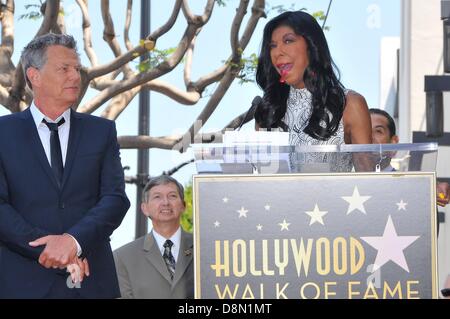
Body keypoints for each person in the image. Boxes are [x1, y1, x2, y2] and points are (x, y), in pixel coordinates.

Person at [0, 33, 130, 298]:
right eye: (64, 69)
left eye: (77, 69)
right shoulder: (2, 133)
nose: (75, 76)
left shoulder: (102, 131)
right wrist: (51, 250)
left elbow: (115, 199)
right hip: (21, 284)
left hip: (92, 283)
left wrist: (73, 242)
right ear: (34, 76)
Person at [254, 10, 372, 172]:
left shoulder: (350, 104)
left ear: (312, 46)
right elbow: (260, 179)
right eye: (272, 46)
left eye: (288, 41)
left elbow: (369, 181)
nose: (277, 52)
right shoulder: (268, 110)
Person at [113, 175, 194, 299]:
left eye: (172, 196)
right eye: (157, 197)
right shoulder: (122, 258)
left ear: (183, 205)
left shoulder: (205, 247)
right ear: (145, 209)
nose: (165, 202)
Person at [369, 108, 450, 206]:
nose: (370, 137)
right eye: (363, 130)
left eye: (378, 131)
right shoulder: (345, 183)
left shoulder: (415, 187)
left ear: (393, 142)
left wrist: (430, 186)